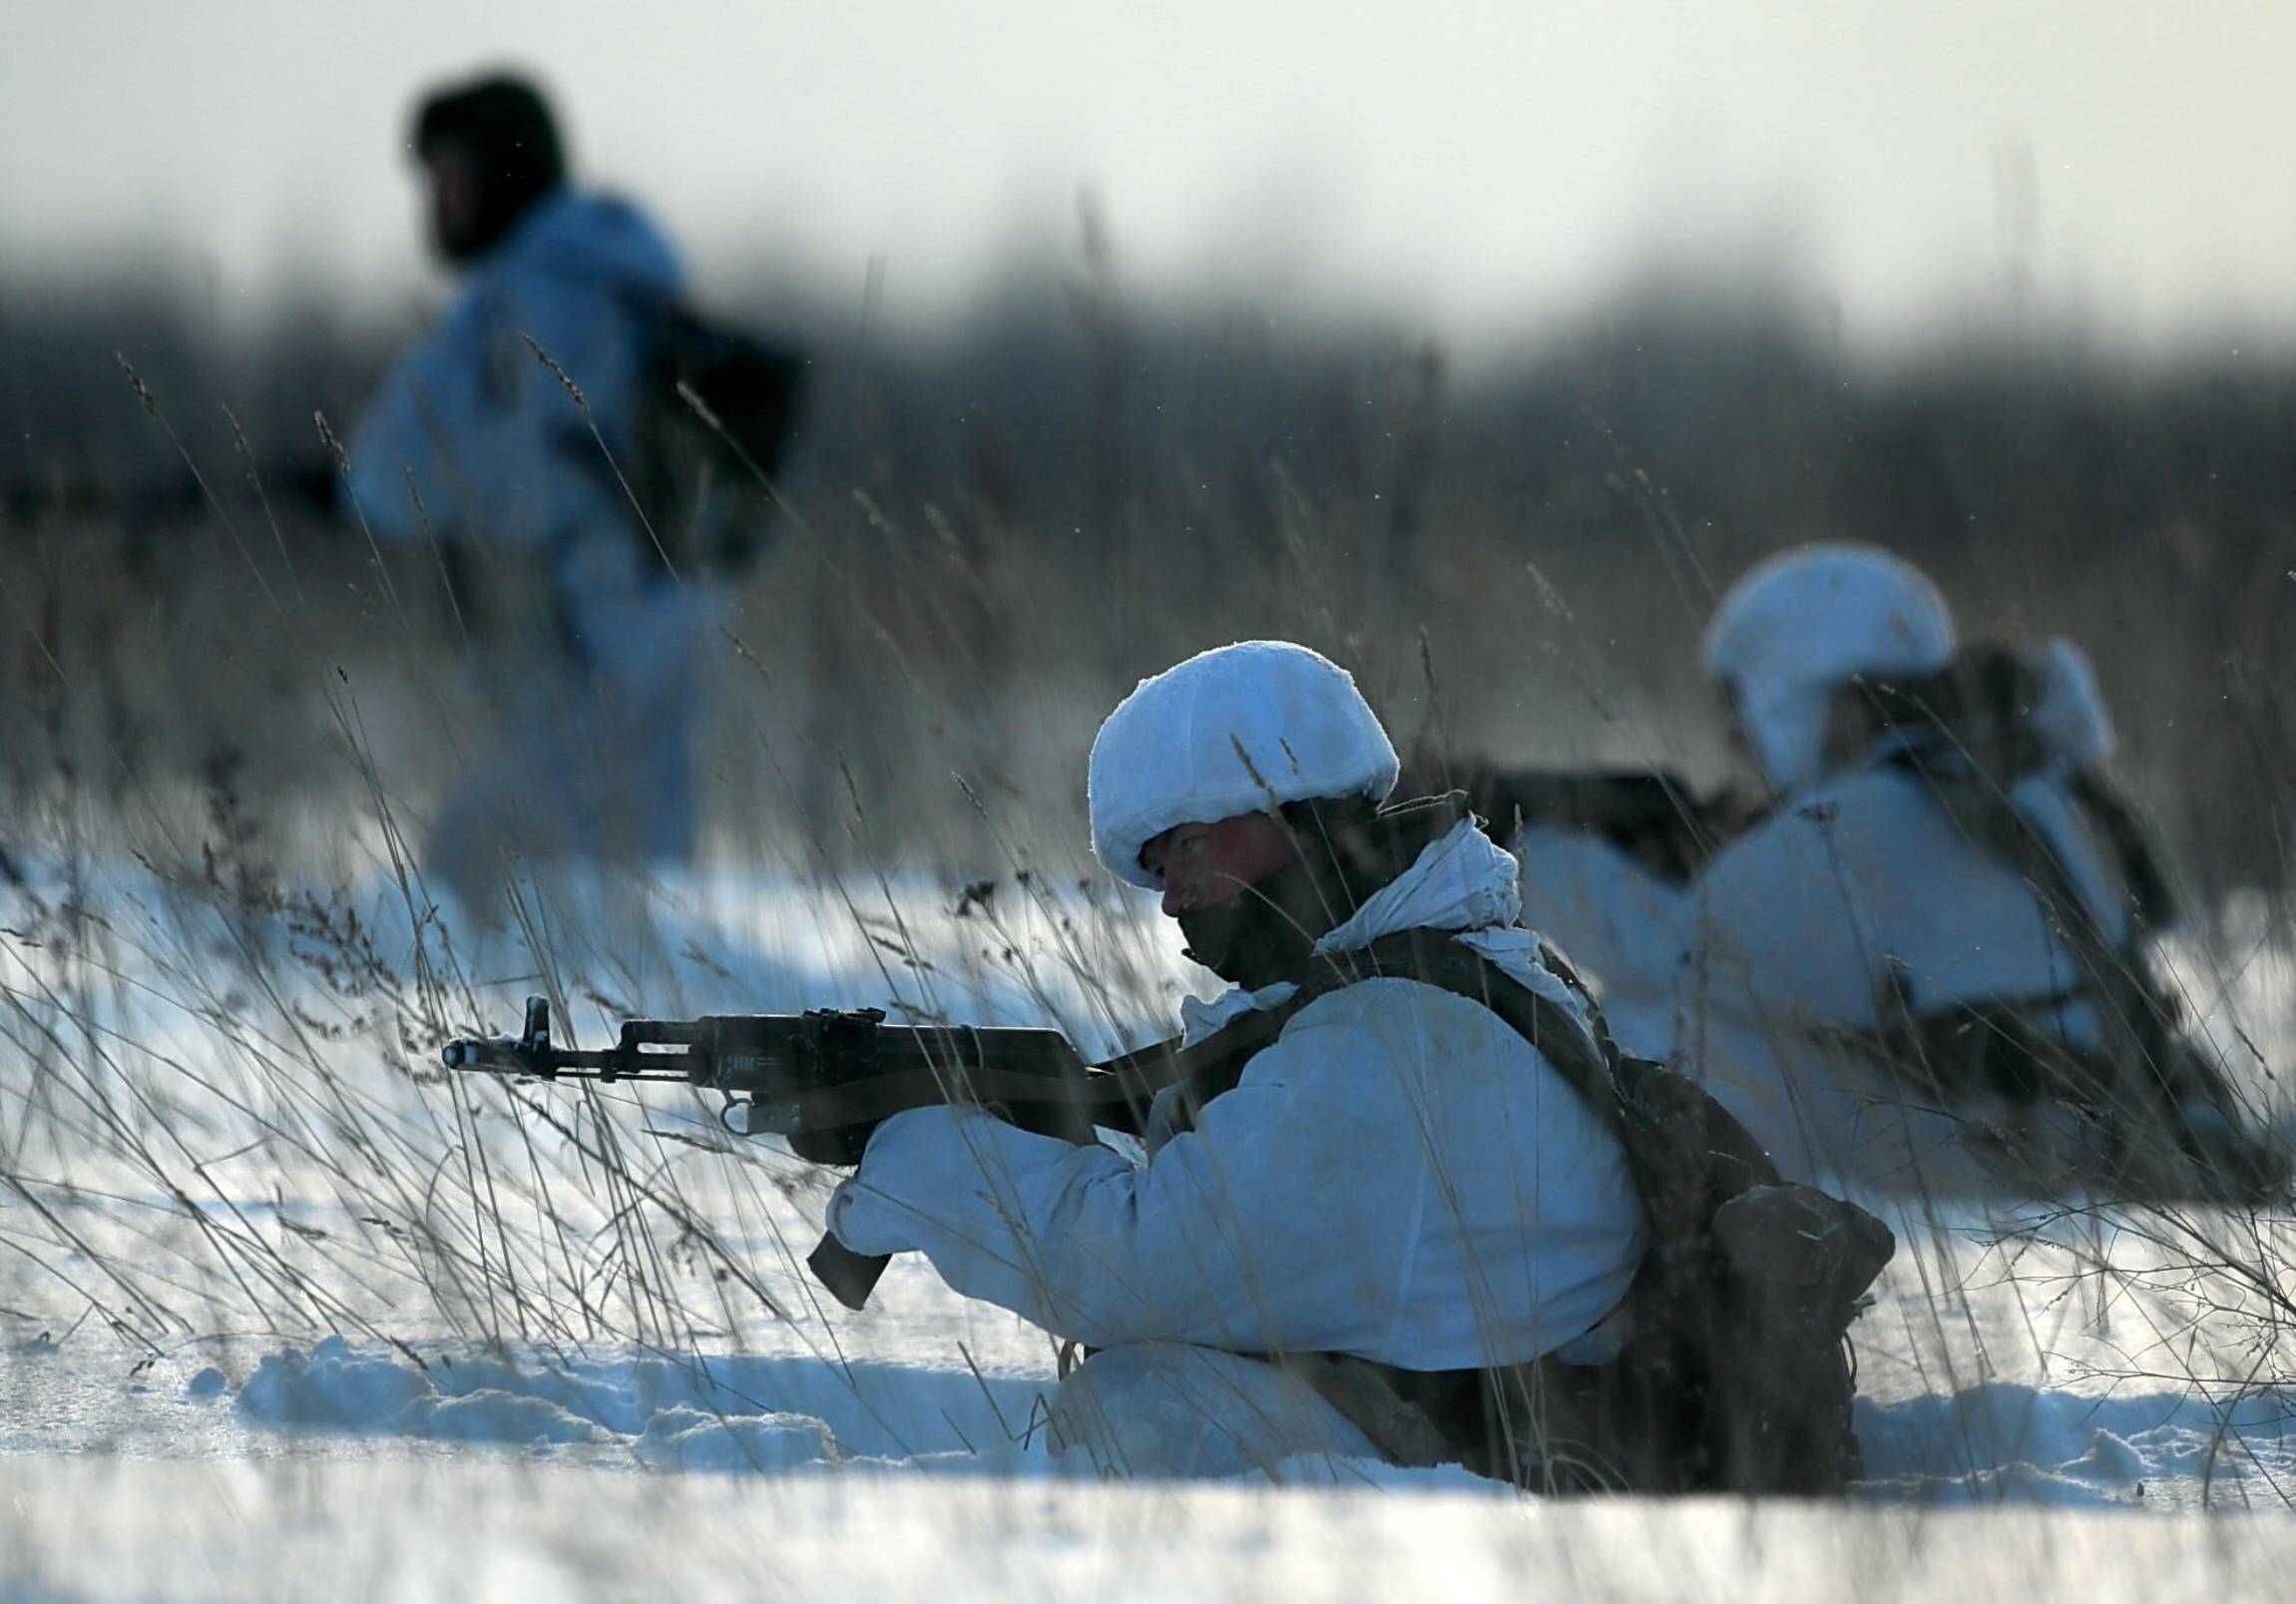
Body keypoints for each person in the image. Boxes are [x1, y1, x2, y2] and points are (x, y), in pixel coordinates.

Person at [821, 641, 1887, 1490]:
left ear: (1297, 810)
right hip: (1505, 1412)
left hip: (1512, 1491)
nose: (1175, 897)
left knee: (1144, 1407)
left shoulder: (1389, 1035)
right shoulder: (1450, 963)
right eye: (1157, 869)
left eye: (1190, 846)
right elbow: (1264, 1193)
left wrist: (921, 1158)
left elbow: (1144, 1265)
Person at [1678, 543, 2278, 1197]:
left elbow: (1686, 971)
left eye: (1741, 703)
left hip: (2009, 1186)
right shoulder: (2042, 787)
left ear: (1800, 688)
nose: (1734, 739)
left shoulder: (1848, 823)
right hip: (2118, 1150)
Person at [342, 72, 716, 903]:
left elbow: (391, 471)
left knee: (467, 882)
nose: (437, 202)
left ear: (499, 174)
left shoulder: (518, 295)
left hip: (581, 637)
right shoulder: (631, 272)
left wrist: (330, 493)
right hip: (673, 619)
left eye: (449, 176)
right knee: (643, 894)